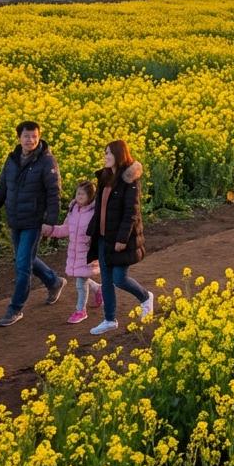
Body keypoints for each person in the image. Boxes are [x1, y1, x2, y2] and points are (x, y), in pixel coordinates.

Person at [0, 120, 64, 328]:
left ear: (39, 137)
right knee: (25, 259)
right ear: (19, 138)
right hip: (15, 219)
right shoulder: (11, 160)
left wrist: (50, 222)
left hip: (34, 221)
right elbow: (1, 189)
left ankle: (15, 308)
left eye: (35, 136)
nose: (31, 140)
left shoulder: (47, 162)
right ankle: (54, 281)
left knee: (22, 266)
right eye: (27, 136)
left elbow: (54, 193)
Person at [87, 140, 151, 335]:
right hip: (103, 238)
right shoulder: (105, 177)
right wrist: (91, 231)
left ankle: (146, 297)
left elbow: (131, 213)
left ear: (119, 155)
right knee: (106, 280)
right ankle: (109, 319)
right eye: (105, 153)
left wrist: (122, 239)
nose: (105, 156)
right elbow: (100, 208)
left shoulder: (129, 180)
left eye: (109, 153)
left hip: (122, 239)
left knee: (119, 279)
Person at [48, 179, 102, 324]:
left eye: (82, 194)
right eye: (77, 193)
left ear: (90, 196)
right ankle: (98, 289)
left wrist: (94, 242)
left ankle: (81, 311)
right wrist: (50, 230)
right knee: (80, 276)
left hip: (88, 253)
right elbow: (66, 229)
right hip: (75, 251)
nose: (79, 197)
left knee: (80, 282)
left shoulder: (94, 213)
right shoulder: (73, 210)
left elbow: (100, 232)